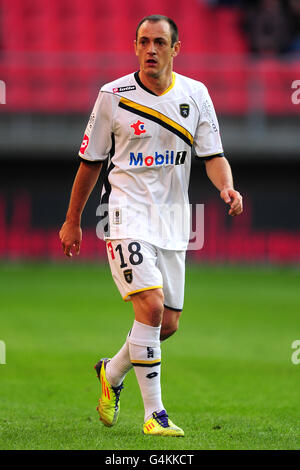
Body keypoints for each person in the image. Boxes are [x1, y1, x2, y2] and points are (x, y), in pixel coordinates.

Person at [59, 14, 243, 437]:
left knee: (167, 324)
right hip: (124, 214)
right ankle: (155, 415)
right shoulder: (114, 95)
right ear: (135, 46)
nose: (150, 50)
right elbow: (89, 163)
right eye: (143, 41)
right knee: (151, 306)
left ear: (175, 49)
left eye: (160, 42)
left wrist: (226, 188)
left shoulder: (196, 95)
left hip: (174, 219)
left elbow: (212, 155)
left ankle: (113, 372)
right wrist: (73, 221)